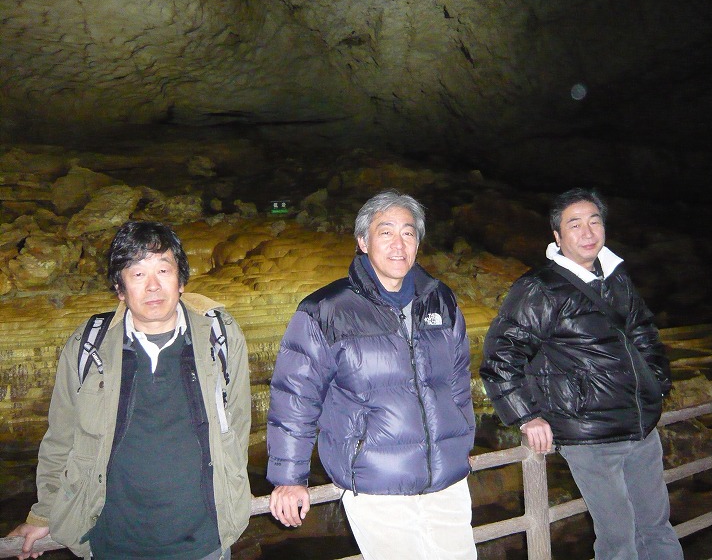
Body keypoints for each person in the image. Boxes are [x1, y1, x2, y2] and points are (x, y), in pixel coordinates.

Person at [8, 221, 252, 560]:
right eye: (137, 274)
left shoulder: (220, 336)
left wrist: (232, 493)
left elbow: (238, 424)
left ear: (181, 280)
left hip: (204, 541)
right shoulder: (88, 344)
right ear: (120, 289)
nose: (153, 286)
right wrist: (45, 513)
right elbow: (61, 437)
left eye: (163, 270)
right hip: (112, 541)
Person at [266, 190, 477, 560]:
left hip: (447, 484)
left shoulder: (441, 300)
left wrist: (460, 445)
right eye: (386, 232)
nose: (399, 244)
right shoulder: (326, 310)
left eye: (408, 233)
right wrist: (289, 478)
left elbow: (458, 380)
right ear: (363, 242)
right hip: (377, 485)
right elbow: (295, 397)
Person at [480, 188, 683, 560]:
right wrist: (527, 416)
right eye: (575, 225)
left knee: (656, 528)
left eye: (594, 221)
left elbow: (644, 334)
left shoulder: (615, 277)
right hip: (591, 436)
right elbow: (500, 355)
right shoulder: (541, 288)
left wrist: (655, 386)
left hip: (641, 427)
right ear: (557, 237)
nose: (588, 232)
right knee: (619, 539)